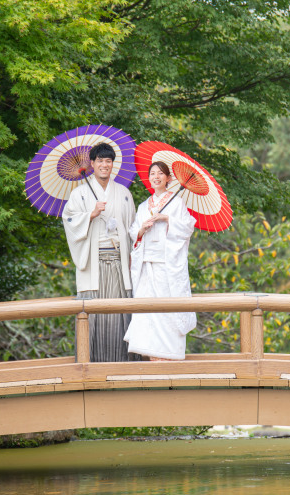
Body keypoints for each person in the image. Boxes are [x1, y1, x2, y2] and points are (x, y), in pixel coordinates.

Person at [62, 143, 138, 362]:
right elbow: (69, 221)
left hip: (119, 262)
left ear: (112, 165)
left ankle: (123, 364)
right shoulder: (79, 194)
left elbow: (132, 229)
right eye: (100, 161)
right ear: (92, 164)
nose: (104, 165)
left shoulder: (123, 193)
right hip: (93, 261)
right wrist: (91, 214)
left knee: (118, 314)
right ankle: (91, 363)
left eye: (108, 161)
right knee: (94, 314)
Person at [124, 161, 197, 360]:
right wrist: (142, 229)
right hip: (147, 264)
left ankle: (169, 354)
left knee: (167, 309)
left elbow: (187, 228)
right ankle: (152, 355)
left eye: (160, 174)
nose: (156, 177)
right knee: (147, 311)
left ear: (168, 178)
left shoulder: (177, 202)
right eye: (152, 173)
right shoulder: (142, 206)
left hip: (167, 265)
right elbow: (133, 232)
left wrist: (167, 219)